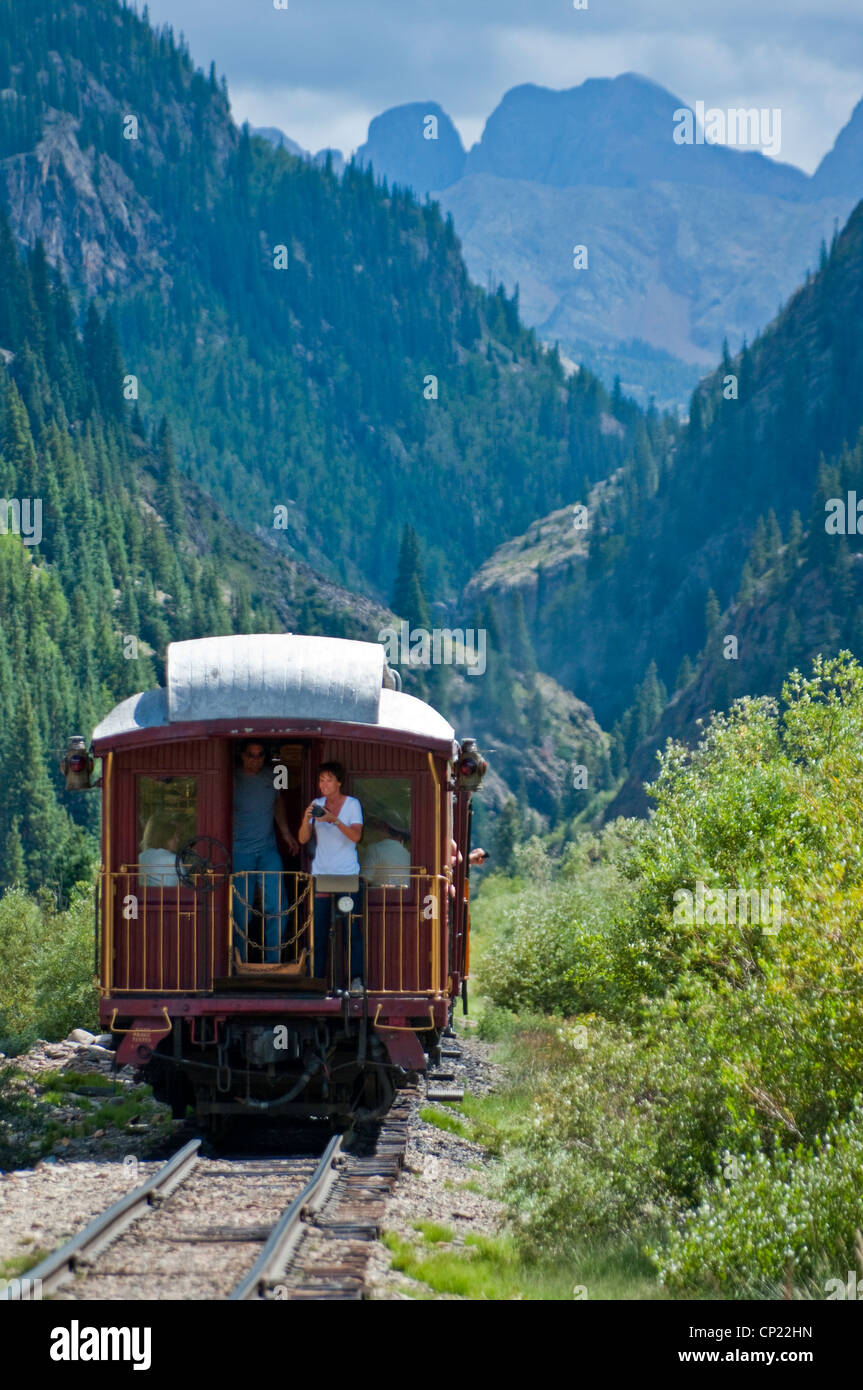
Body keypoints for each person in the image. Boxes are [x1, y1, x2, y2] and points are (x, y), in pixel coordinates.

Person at [298, 762, 364, 992]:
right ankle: (317, 981)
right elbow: (303, 839)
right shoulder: (316, 804)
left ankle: (356, 980)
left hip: (346, 875)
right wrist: (308, 818)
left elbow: (356, 836)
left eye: (328, 780)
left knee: (351, 930)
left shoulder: (352, 804)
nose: (323, 785)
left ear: (339, 782)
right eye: (321, 780)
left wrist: (334, 820)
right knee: (319, 931)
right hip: (321, 874)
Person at [233, 741, 299, 964]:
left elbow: (277, 803)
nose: (255, 759)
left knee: (278, 906)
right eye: (251, 755)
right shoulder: (231, 779)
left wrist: (286, 833)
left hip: (268, 849)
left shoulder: (272, 776)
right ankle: (238, 962)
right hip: (240, 850)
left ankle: (274, 961)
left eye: (260, 755)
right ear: (242, 756)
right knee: (241, 909)